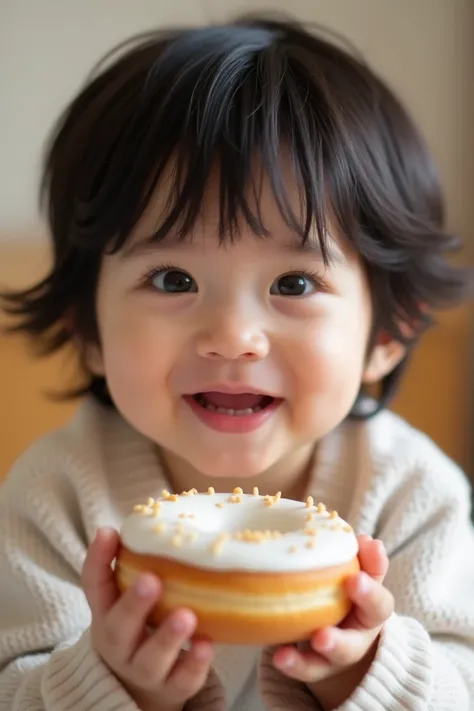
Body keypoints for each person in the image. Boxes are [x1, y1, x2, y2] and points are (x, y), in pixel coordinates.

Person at [0, 15, 473, 711]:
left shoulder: (411, 496)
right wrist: (111, 685)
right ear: (87, 325)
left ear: (389, 330)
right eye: (172, 280)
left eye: (294, 284)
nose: (232, 337)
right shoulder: (58, 497)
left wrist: (364, 670)